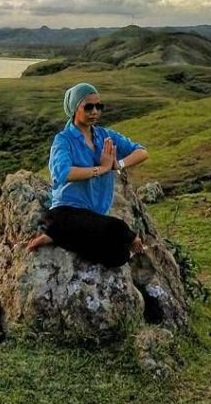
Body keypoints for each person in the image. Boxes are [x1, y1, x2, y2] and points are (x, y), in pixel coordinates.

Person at [26, 82, 149, 268]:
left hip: (95, 215)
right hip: (67, 211)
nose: (95, 112)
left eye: (99, 106)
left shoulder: (105, 136)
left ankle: (57, 235)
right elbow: (64, 173)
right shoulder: (63, 140)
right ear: (75, 109)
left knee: (119, 256)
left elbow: (142, 152)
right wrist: (101, 169)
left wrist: (118, 164)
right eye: (89, 107)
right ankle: (57, 230)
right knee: (118, 228)